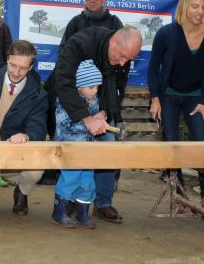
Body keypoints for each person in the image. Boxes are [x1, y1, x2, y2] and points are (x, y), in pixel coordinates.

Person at [43, 0, 127, 207]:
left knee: (106, 146)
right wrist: (83, 85)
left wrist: (106, 110)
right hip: (75, 98)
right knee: (72, 148)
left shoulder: (115, 24)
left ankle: (104, 203)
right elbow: (64, 59)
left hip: (103, 96)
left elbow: (119, 76)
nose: (92, 0)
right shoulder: (75, 23)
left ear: (104, 0)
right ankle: (68, 202)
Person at [55, 26, 142, 221]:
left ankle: (103, 203)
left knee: (106, 151)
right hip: (70, 108)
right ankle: (66, 202)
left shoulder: (123, 56)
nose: (123, 63)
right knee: (73, 157)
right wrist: (86, 118)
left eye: (128, 59)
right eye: (121, 57)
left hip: (100, 105)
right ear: (114, 42)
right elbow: (63, 82)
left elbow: (118, 88)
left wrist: (103, 114)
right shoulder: (79, 44)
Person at [147, 0, 204, 214]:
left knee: (202, 146)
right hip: (168, 96)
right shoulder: (166, 33)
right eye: (195, 6)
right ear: (185, 6)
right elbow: (152, 68)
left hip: (195, 98)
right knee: (173, 146)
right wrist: (155, 97)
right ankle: (178, 196)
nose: (200, 11)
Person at [0, 40, 48, 215]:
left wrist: (26, 136)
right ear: (7, 59)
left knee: (37, 171)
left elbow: (38, 126)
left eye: (22, 68)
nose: (15, 72)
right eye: (12, 65)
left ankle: (22, 193)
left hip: (18, 145)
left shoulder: (39, 94)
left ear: (31, 67)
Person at [51, 60, 107, 229]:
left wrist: (100, 116)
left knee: (88, 182)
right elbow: (64, 125)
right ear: (79, 86)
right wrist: (89, 124)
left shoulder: (92, 98)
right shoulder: (66, 101)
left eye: (97, 86)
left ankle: (82, 213)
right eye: (91, 87)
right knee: (70, 179)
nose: (95, 90)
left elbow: (94, 116)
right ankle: (58, 213)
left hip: (87, 149)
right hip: (70, 149)